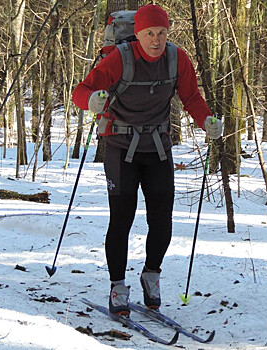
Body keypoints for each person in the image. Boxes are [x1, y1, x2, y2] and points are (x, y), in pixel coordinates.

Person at [72, 4, 222, 316]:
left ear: (168, 33)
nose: (155, 39)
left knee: (162, 219)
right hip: (120, 146)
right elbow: (82, 90)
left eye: (161, 33)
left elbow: (192, 97)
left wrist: (206, 121)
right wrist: (92, 100)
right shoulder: (120, 58)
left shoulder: (176, 58)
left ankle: (151, 275)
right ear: (138, 34)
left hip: (157, 147)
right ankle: (117, 286)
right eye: (149, 33)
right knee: (122, 218)